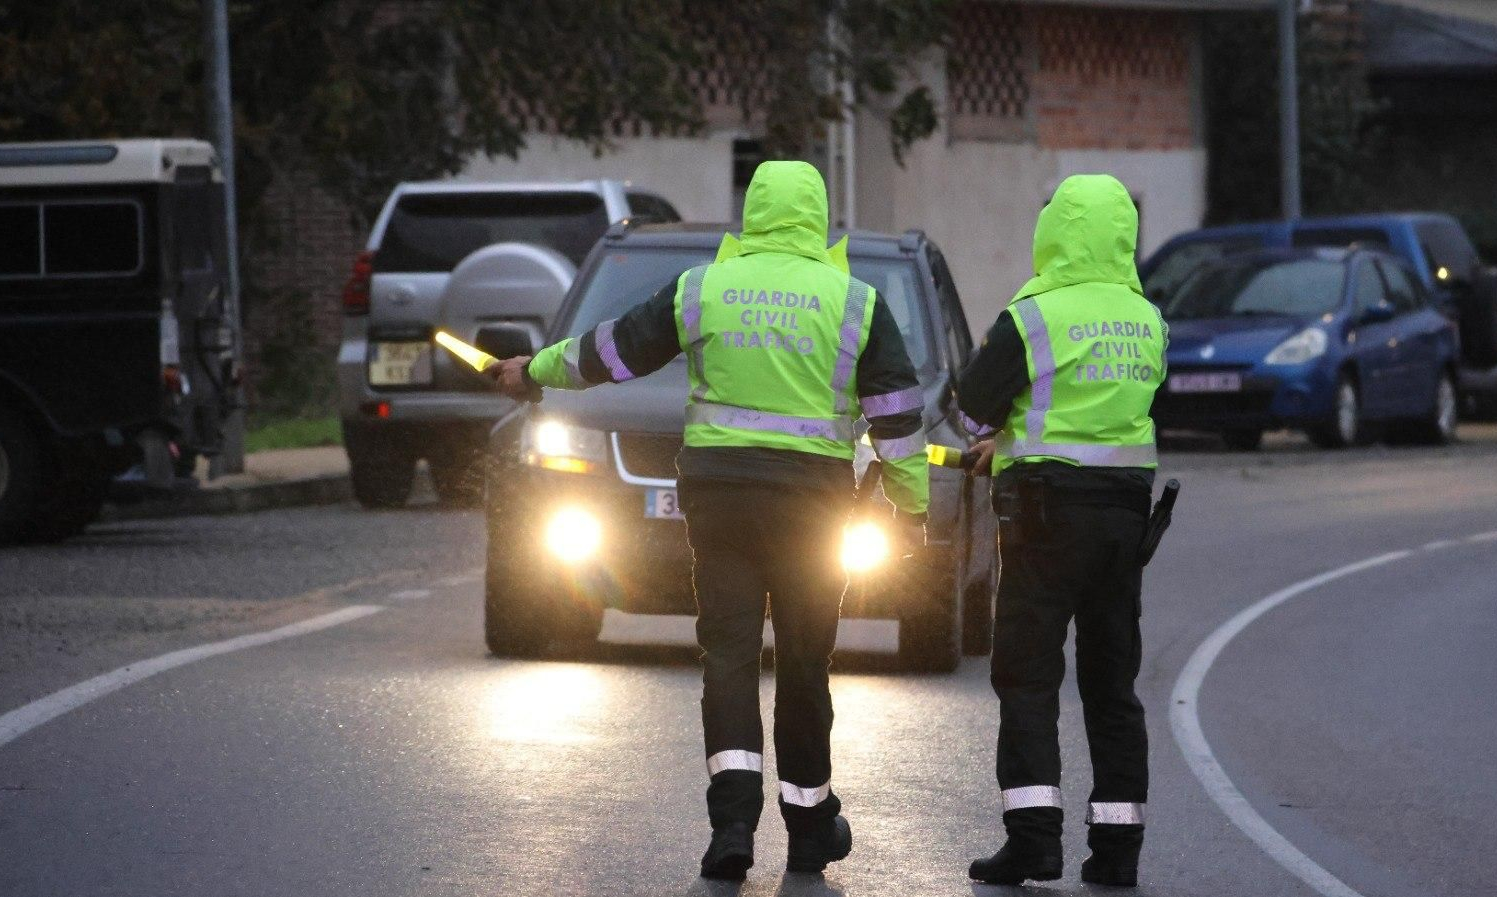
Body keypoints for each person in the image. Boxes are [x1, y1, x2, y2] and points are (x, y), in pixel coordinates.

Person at [487, 160, 929, 881]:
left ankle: (732, 824)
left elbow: (614, 350)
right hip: (812, 507)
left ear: (750, 215)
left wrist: (533, 371)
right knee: (804, 664)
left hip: (720, 500)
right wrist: (908, 510)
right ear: (816, 219)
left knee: (727, 657)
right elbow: (899, 422)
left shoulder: (704, 289)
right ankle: (811, 824)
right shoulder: (856, 302)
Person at [955, 174, 1167, 888]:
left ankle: (1034, 843)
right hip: (1125, 521)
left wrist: (998, 437)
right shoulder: (1147, 318)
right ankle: (1117, 853)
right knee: (1112, 684)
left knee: (1028, 676)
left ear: (1056, 230)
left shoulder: (1034, 314)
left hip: (1046, 516)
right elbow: (1114, 413)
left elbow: (975, 405)